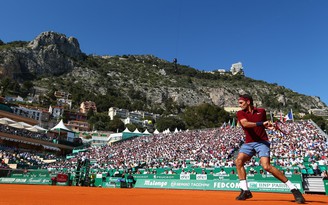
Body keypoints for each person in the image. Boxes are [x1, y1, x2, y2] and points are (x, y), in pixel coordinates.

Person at [235, 94, 305, 203]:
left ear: (248, 102)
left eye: (241, 102)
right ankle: (245, 190)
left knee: (266, 166)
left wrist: (268, 125)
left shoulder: (261, 111)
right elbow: (245, 124)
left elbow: (263, 124)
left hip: (262, 142)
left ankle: (294, 189)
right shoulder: (240, 113)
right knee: (239, 161)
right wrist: (261, 123)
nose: (239, 105)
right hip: (248, 143)